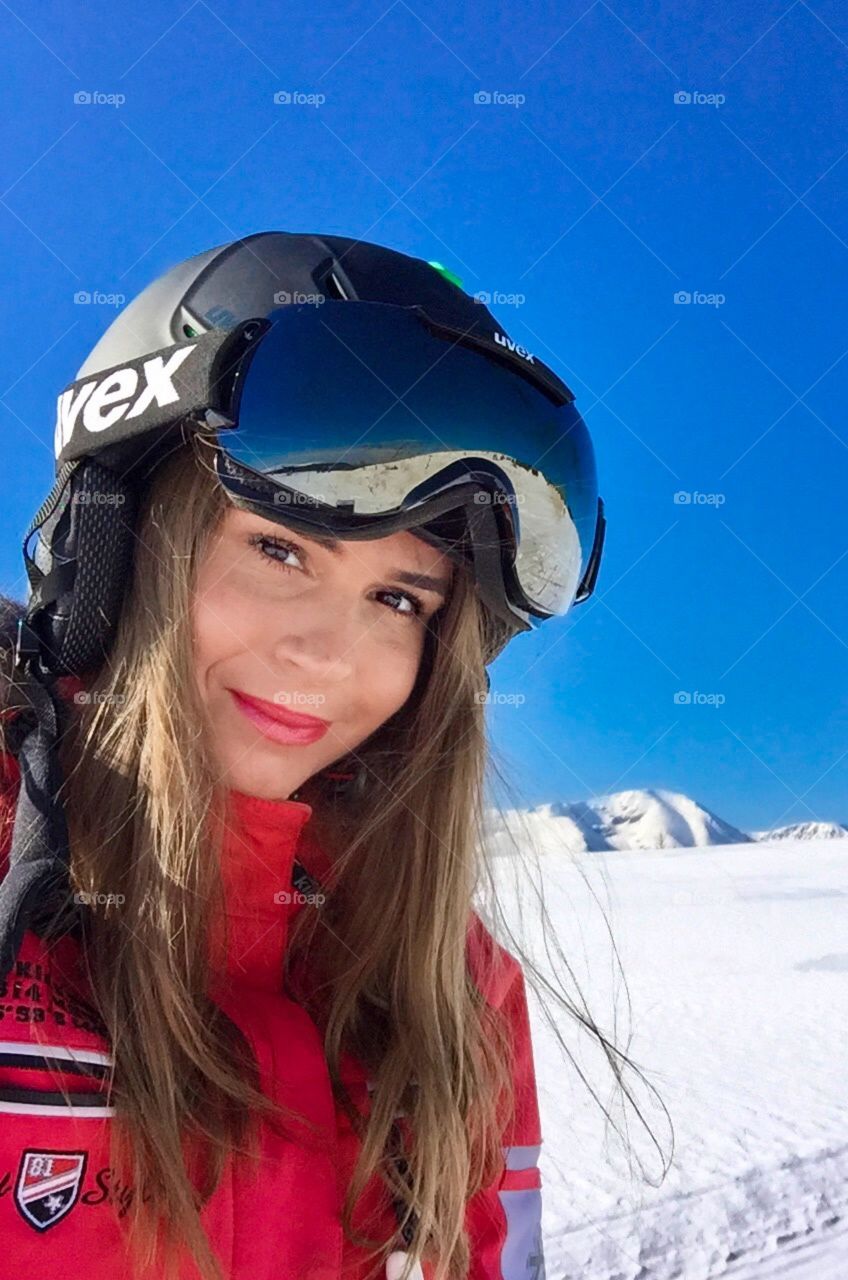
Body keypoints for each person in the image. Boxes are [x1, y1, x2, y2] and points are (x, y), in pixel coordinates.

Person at [0, 233, 608, 1279]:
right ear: (119, 543)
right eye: (279, 549)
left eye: (398, 599)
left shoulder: (446, 977)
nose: (327, 657)